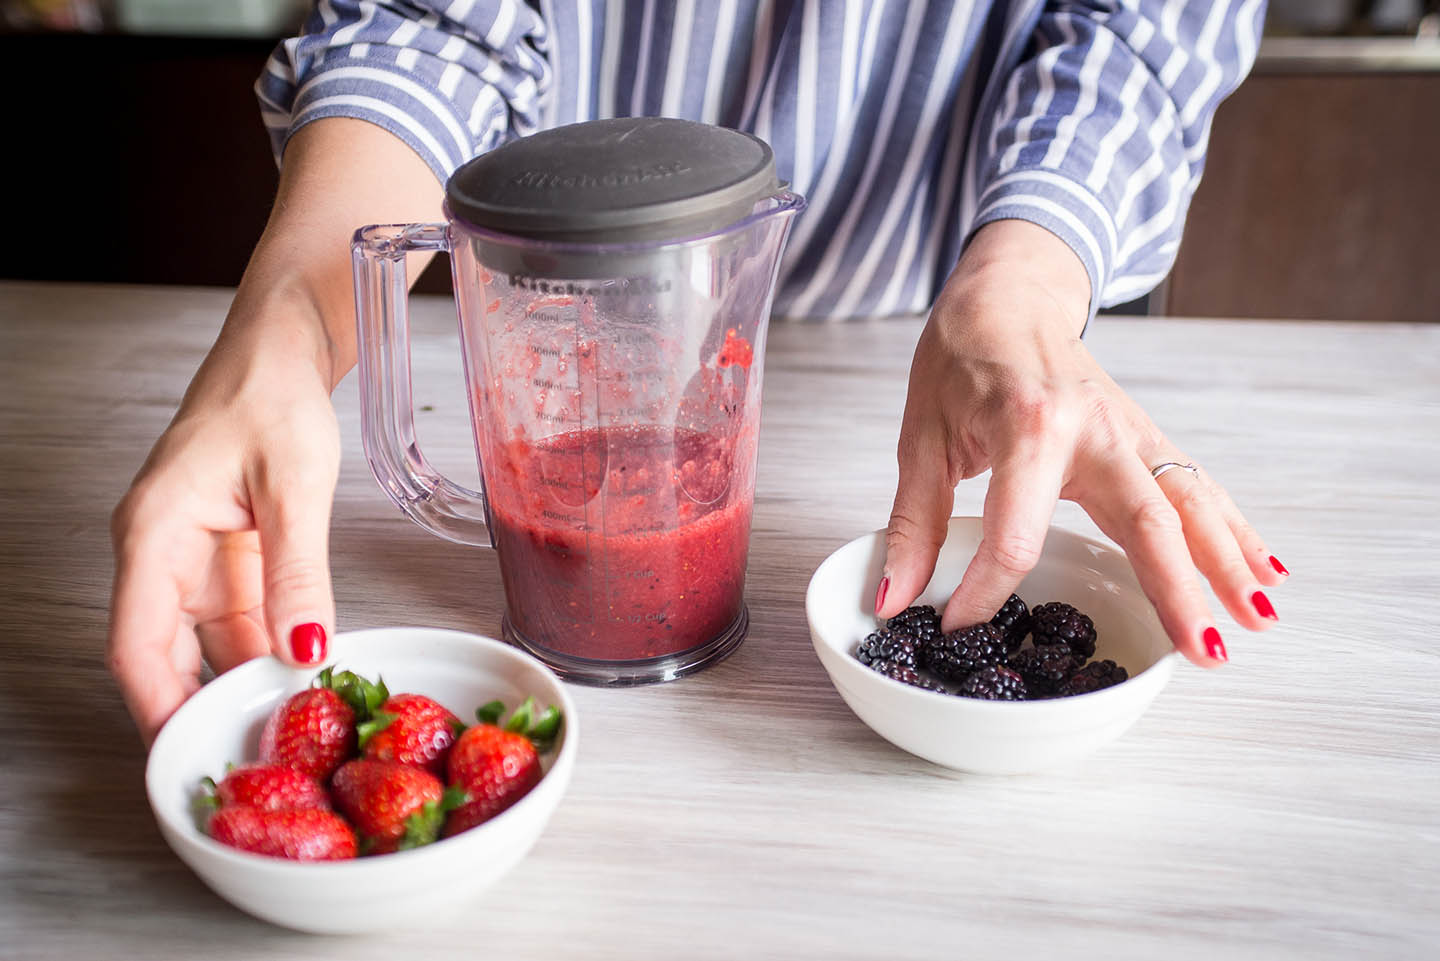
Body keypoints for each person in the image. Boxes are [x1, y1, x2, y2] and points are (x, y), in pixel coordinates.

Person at [109, 0, 1287, 743]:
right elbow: (431, 25)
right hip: (546, 263)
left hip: (942, 284)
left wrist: (1017, 292)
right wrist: (281, 335)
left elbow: (1141, 31)